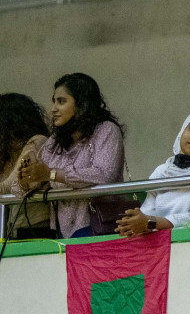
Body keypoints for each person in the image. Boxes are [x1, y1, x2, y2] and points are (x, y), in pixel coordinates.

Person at [13, 74, 127, 237]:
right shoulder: (54, 141)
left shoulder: (106, 130)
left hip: (99, 229)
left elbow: (104, 174)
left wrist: (50, 174)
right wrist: (27, 179)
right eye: (54, 101)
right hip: (62, 233)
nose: (53, 109)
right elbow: (16, 191)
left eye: (61, 101)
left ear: (82, 104)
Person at [0, 93, 56, 239]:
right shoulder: (8, 151)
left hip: (35, 227)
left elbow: (8, 187)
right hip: (12, 228)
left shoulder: (37, 142)